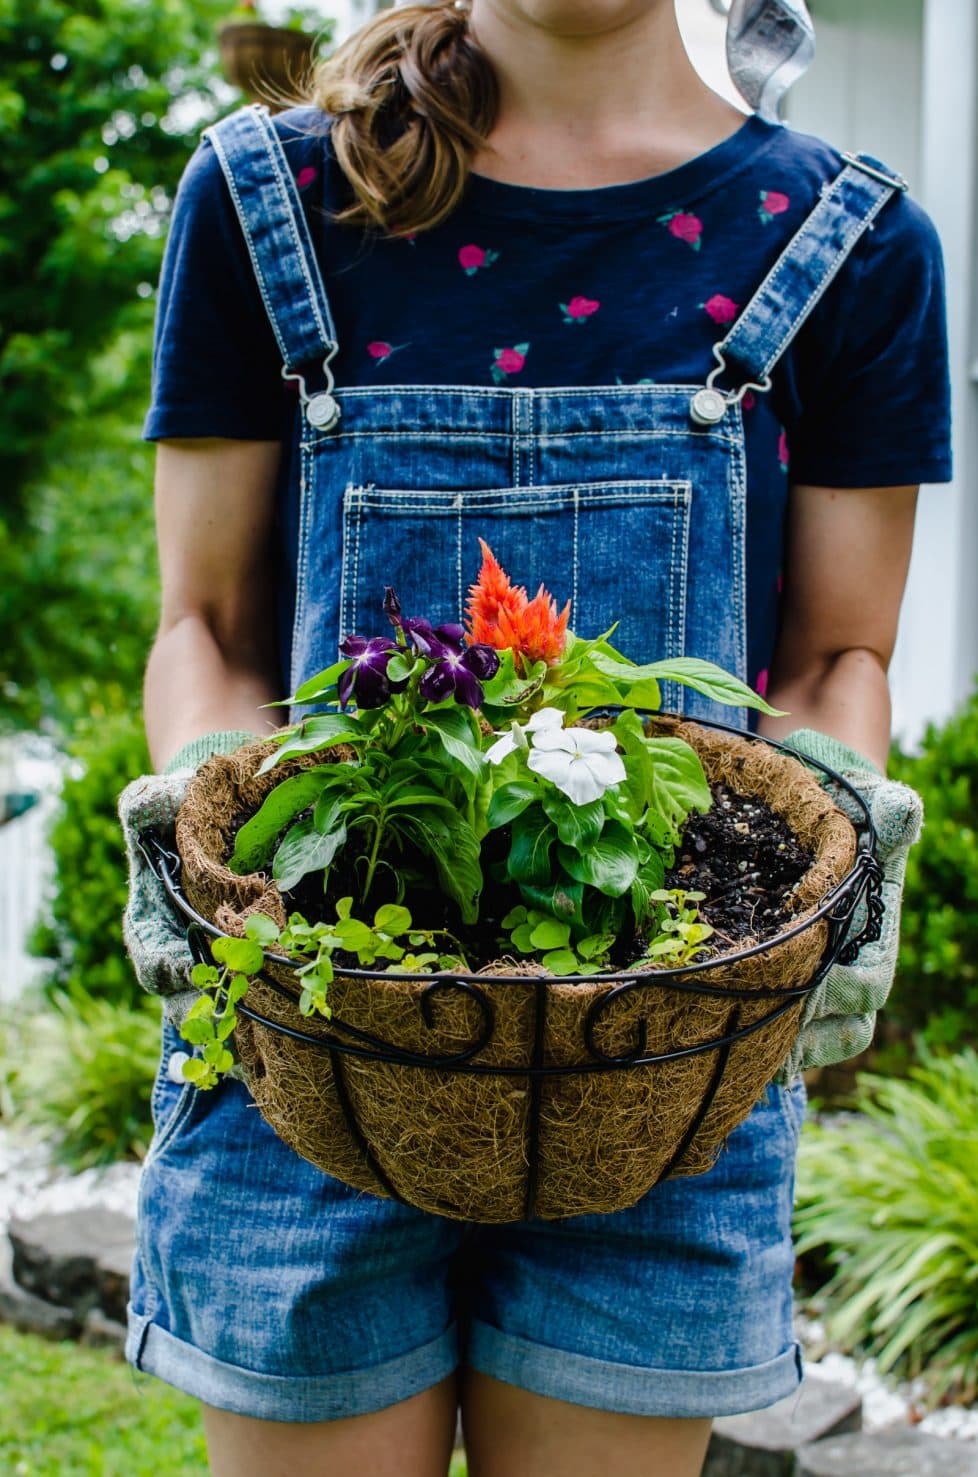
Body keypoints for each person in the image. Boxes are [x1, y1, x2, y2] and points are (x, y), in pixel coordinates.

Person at [119, 2, 950, 1473]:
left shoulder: (838, 239)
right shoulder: (271, 202)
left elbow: (833, 655)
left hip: (663, 1063)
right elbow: (214, 632)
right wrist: (196, 829)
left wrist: (838, 865)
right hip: (303, 1046)